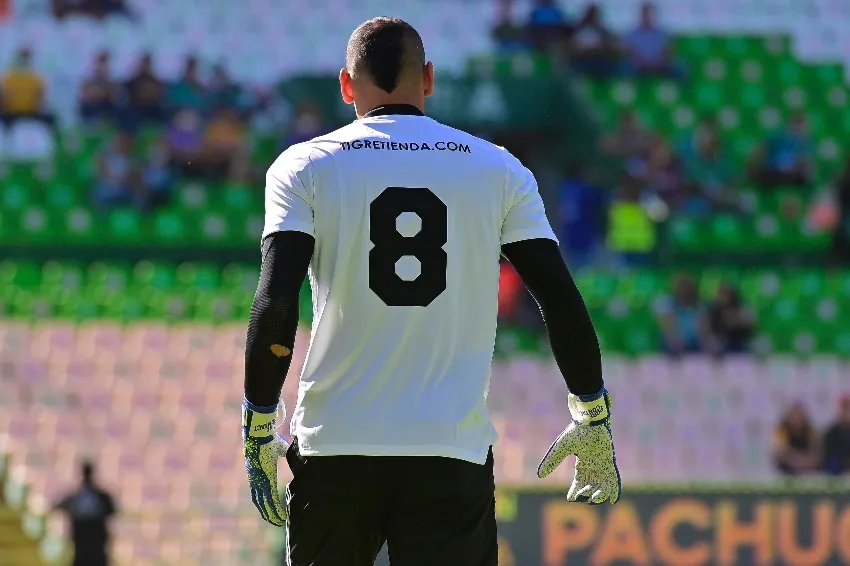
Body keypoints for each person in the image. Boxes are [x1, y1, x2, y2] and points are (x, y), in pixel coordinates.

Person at [241, 17, 620, 566]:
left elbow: (276, 299)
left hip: (336, 445)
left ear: (346, 85)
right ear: (430, 79)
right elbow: (558, 296)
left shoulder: (305, 166)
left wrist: (257, 422)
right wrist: (592, 413)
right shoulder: (499, 168)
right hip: (450, 449)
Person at [53, 461, 117, 566]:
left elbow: (112, 510)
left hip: (93, 545)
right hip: (85, 545)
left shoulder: (85, 496)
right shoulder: (95, 496)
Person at [750, 112, 813, 189]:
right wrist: (756, 164)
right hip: (773, 171)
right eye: (799, 126)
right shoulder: (779, 135)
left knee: (806, 176)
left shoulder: (804, 143)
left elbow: (805, 162)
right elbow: (762, 148)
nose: (802, 130)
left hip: (790, 173)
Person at [655, 272, 709, 355]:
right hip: (674, 342)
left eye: (687, 286)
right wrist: (676, 339)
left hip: (696, 342)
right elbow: (667, 327)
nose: (684, 290)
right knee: (671, 343)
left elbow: (704, 329)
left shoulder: (701, 306)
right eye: (681, 286)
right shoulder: (667, 304)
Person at [0, 47, 54, 128]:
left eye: (26, 57)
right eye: (23, 57)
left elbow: (41, 99)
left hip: (31, 112)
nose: (24, 59)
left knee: (51, 118)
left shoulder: (36, 78)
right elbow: (3, 97)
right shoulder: (8, 77)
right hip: (12, 113)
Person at [623, 2, 680, 77]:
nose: (647, 17)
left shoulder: (662, 34)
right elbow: (630, 51)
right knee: (624, 69)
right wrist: (642, 62)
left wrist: (659, 62)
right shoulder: (632, 34)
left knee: (679, 69)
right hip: (638, 66)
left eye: (649, 14)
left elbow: (667, 52)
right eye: (645, 14)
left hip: (659, 65)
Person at [706, 283, 755, 355]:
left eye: (727, 293)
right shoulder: (714, 310)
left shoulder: (742, 307)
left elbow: (750, 325)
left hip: (741, 340)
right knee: (713, 343)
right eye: (722, 294)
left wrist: (734, 320)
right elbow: (708, 327)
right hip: (721, 341)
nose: (724, 296)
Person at [773, 403, 821, 475]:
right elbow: (780, 450)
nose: (796, 419)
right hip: (787, 467)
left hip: (807, 467)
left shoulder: (810, 431)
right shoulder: (783, 430)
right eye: (794, 416)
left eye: (799, 416)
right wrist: (797, 460)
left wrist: (805, 461)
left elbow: (816, 452)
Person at [78, 50, 117, 125]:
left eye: (105, 63)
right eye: (101, 62)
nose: (103, 66)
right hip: (92, 109)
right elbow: (88, 95)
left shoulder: (111, 82)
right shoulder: (88, 80)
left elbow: (112, 96)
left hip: (106, 109)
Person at [822, 395, 850, 475]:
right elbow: (829, 452)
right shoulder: (832, 431)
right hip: (837, 465)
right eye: (844, 409)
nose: (846, 413)